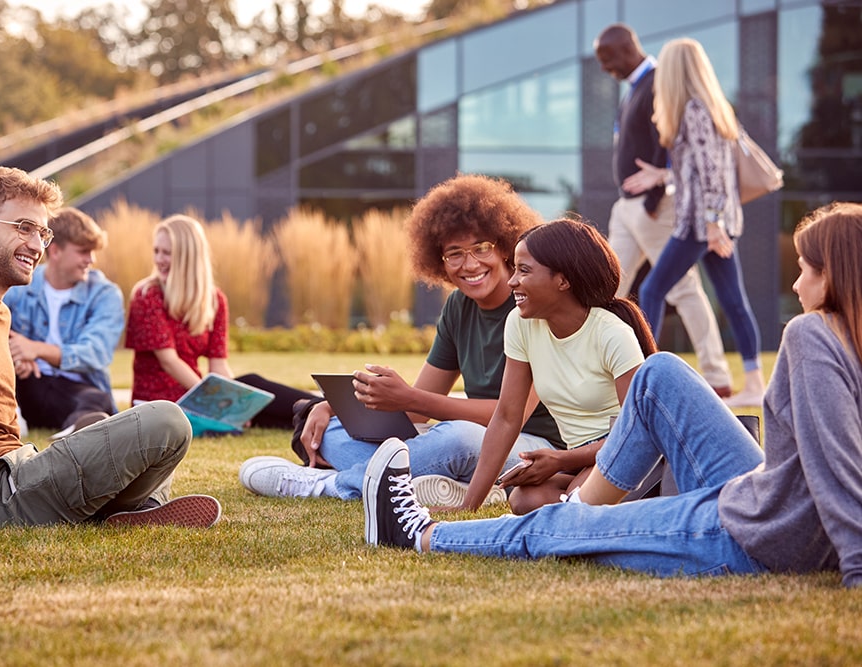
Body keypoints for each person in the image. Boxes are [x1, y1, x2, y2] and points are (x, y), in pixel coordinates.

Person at [363, 202, 862, 589]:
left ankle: (420, 534)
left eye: (804, 269)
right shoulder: (840, 336)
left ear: (835, 275)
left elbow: (837, 464)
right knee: (659, 372)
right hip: (760, 497)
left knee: (563, 528)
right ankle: (585, 504)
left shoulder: (810, 334)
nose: (796, 284)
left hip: (763, 535)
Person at [0, 166, 221, 528]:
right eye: (23, 228)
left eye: (42, 232)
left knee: (109, 427)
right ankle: (134, 509)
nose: (37, 245)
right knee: (168, 420)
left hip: (16, 474)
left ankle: (125, 513)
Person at [238, 174, 565, 504]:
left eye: (481, 248)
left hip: (534, 447)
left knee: (457, 437)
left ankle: (331, 485)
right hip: (473, 448)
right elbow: (418, 411)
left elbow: (510, 417)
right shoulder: (457, 307)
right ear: (438, 261)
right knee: (333, 434)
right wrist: (333, 409)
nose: (470, 264)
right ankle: (437, 481)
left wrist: (408, 398)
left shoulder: (531, 303)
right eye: (454, 254)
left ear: (506, 246)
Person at [457, 218, 657, 514]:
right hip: (582, 461)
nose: (511, 281)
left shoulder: (612, 335)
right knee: (524, 499)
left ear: (562, 281)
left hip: (627, 457)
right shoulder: (520, 324)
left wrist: (562, 460)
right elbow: (507, 417)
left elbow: (637, 437)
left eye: (524, 271)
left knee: (576, 505)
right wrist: (467, 506)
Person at [622, 37, 764, 408]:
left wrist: (714, 226)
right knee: (733, 300)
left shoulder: (695, 110)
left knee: (652, 291)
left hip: (699, 226)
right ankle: (753, 384)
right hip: (709, 222)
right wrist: (661, 176)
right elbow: (695, 173)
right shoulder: (707, 107)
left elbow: (713, 176)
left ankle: (644, 376)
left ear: (674, 70)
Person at [594, 24, 732, 397]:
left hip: (651, 207)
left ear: (626, 50)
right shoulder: (635, 89)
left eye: (608, 60)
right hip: (626, 207)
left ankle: (717, 374)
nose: (606, 69)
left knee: (683, 288)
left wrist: (656, 197)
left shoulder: (658, 82)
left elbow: (668, 144)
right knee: (607, 284)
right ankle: (601, 366)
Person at [125, 213, 314, 429]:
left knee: (262, 406)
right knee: (249, 388)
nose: (159, 259)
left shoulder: (214, 300)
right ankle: (321, 407)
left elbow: (218, 365)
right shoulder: (147, 294)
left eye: (167, 253)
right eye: (156, 251)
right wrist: (218, 403)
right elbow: (169, 361)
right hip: (160, 404)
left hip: (196, 397)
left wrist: (237, 400)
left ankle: (325, 413)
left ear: (187, 256)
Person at [3, 207, 123, 435]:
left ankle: (75, 431)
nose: (91, 260)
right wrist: (15, 354)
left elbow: (96, 352)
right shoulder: (19, 286)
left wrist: (36, 349)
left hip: (76, 392)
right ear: (56, 251)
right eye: (84, 252)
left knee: (98, 399)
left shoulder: (105, 294)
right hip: (26, 383)